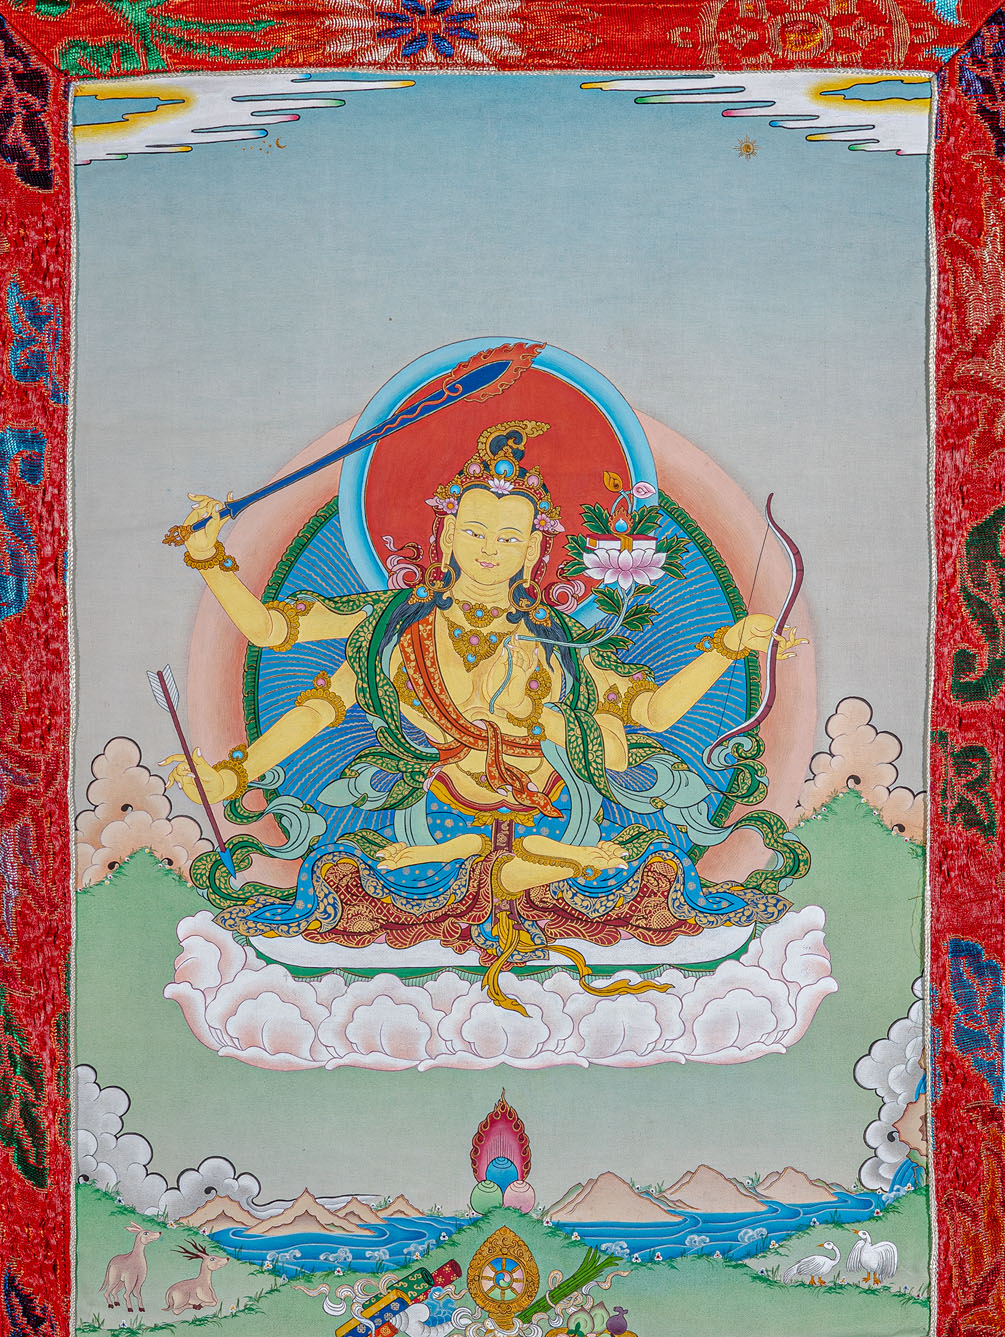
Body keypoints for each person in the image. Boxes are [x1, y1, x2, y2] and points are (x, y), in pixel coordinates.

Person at [164, 421, 806, 1006]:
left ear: (533, 550)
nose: (490, 549)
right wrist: (210, 566)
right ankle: (514, 866)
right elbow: (278, 642)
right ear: (445, 535)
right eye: (474, 532)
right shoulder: (396, 626)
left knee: (650, 878)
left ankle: (534, 864)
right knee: (357, 885)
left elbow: (654, 712)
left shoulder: (555, 638)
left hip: (553, 812)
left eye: (508, 536)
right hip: (442, 814)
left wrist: (728, 646)